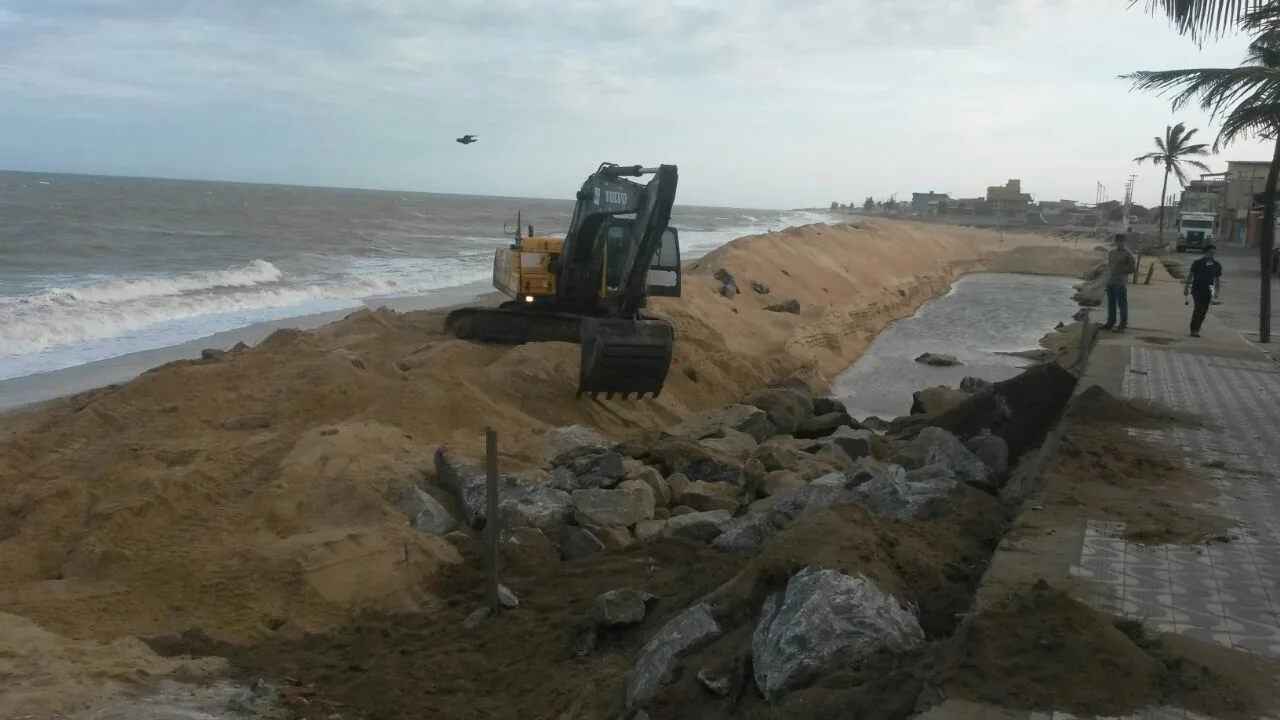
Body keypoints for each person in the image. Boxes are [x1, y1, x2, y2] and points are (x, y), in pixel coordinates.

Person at [1184, 244, 1222, 337]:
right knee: (1198, 308)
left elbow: (1217, 280)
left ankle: (1197, 328)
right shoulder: (1197, 263)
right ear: (1206, 252)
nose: (1212, 254)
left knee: (1204, 311)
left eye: (1214, 252)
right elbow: (1190, 276)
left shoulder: (1217, 265)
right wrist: (1186, 288)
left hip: (1209, 289)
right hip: (1197, 288)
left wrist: (1216, 292)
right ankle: (1193, 329)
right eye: (1210, 252)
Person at [1101, 233, 1137, 332]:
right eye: (1117, 241)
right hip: (1111, 281)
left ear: (1124, 242)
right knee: (1111, 304)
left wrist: (1122, 269)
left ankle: (1122, 325)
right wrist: (1106, 279)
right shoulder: (1111, 252)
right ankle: (1110, 322)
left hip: (1120, 282)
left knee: (1122, 304)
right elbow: (1109, 267)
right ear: (1115, 242)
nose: (1119, 243)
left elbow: (1133, 269)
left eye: (1121, 241)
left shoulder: (1128, 254)